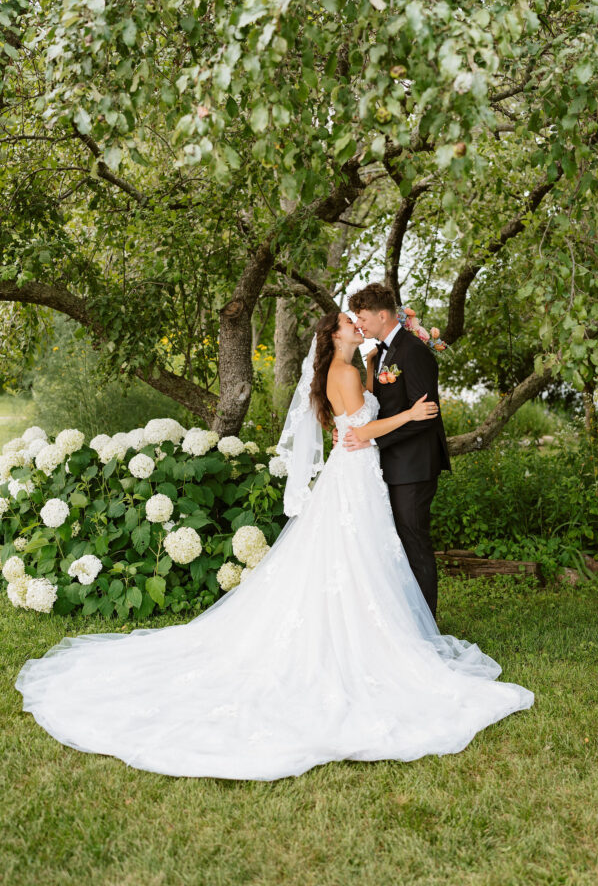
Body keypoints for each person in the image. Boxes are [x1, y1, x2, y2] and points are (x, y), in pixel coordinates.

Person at [14, 311, 534, 781]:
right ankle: (362, 640)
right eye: (350, 324)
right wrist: (411, 416)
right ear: (334, 336)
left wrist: (379, 370)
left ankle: (362, 629)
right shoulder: (344, 373)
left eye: (359, 321)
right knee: (357, 557)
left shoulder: (353, 368)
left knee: (358, 560)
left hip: (354, 474)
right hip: (355, 474)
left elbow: (355, 417)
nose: (358, 326)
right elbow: (363, 428)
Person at [341, 282, 451, 619]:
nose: (358, 324)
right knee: (400, 544)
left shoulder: (413, 351)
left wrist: (371, 439)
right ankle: (409, 619)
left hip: (415, 465)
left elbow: (425, 416)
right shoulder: (383, 352)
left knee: (414, 543)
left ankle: (426, 624)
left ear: (383, 314)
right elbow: (382, 407)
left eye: (361, 317)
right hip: (394, 463)